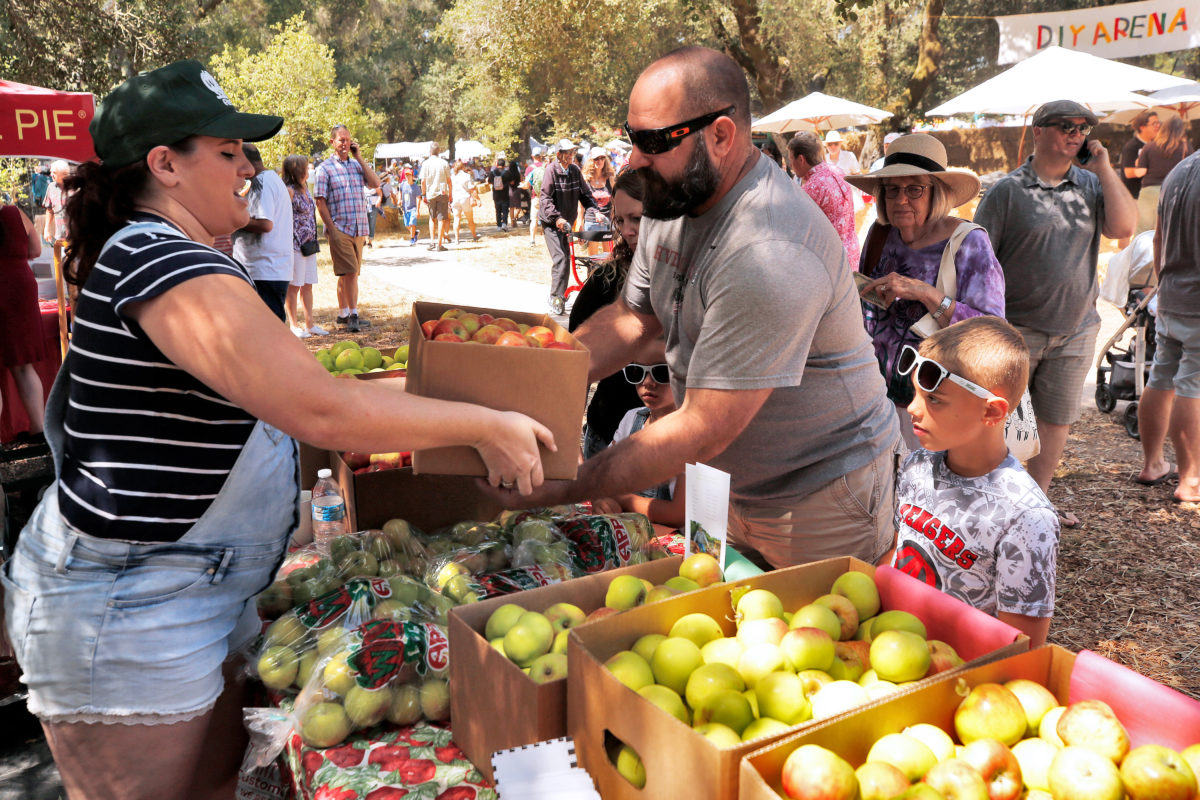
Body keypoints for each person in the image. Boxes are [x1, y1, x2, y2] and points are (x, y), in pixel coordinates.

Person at [1, 60, 554, 800]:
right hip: (125, 610)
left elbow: (308, 395)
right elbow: (318, 407)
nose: (246, 167)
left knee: (219, 782)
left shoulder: (175, 255)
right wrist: (486, 425)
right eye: (226, 152)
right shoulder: (153, 255)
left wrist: (472, 399)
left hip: (183, 594)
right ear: (164, 165)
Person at [498, 46, 901, 570]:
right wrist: (525, 380)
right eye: (631, 137)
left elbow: (704, 424)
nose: (634, 161)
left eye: (652, 143)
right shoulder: (673, 199)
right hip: (720, 482)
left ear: (720, 135)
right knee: (714, 625)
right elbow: (635, 321)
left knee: (809, 643)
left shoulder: (772, 247)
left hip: (819, 496)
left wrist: (565, 484)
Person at [973, 100, 1137, 528]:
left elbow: (1122, 229)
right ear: (1038, 131)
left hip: (1076, 328)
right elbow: (979, 259)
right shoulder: (1007, 191)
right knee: (1009, 423)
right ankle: (1000, 502)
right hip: (1016, 330)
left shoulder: (1090, 184)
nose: (1076, 134)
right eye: (1065, 126)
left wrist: (1103, 167)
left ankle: (1036, 504)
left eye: (1083, 128)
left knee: (1056, 421)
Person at [893, 316, 1058, 646]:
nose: (912, 408)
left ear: (992, 412)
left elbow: (1022, 644)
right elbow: (898, 556)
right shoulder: (916, 466)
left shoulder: (1026, 518)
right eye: (915, 393)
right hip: (897, 643)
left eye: (934, 399)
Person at [846, 133, 1005, 450]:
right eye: (892, 190)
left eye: (914, 188)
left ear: (938, 193)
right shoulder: (880, 234)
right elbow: (869, 308)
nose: (901, 199)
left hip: (940, 405)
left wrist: (925, 293)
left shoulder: (968, 243)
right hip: (877, 400)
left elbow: (993, 334)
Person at [1137, 149, 1200, 502]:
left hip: (1172, 293)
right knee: (1191, 384)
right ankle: (1191, 480)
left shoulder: (1179, 170)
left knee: (1161, 377)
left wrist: (1164, 285)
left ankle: (1153, 464)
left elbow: (1157, 239)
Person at [568, 168, 645, 459]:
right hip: (606, 437)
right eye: (621, 220)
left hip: (669, 445)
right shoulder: (606, 281)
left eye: (637, 218)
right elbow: (573, 362)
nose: (627, 230)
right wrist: (569, 439)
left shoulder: (691, 280)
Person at [590, 338, 687, 528]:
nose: (648, 382)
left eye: (661, 372)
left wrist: (622, 499)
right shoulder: (631, 419)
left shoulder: (690, 434)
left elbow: (678, 513)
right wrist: (602, 500)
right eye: (637, 372)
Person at [314, 124, 381, 332]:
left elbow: (375, 183)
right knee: (350, 272)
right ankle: (353, 314)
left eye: (348, 140)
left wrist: (359, 157)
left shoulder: (356, 166)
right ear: (332, 142)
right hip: (340, 227)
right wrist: (331, 228)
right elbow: (320, 201)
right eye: (341, 140)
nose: (345, 144)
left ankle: (343, 313)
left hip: (359, 228)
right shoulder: (324, 168)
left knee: (348, 275)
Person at [0, 204, 47, 442]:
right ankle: (39, 433)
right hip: (19, 284)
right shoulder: (14, 212)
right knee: (23, 366)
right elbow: (36, 250)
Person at [231, 144, 294, 322]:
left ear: (245, 162)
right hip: (268, 269)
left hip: (263, 269)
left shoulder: (262, 182)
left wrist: (234, 219)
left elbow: (265, 224)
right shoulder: (270, 179)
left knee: (266, 330)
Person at [540, 139, 597, 315]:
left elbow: (586, 195)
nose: (571, 156)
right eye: (568, 153)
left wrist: (594, 212)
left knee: (566, 258)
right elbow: (545, 199)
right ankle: (555, 297)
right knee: (561, 259)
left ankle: (562, 295)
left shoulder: (574, 170)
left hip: (566, 223)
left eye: (573, 152)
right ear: (559, 154)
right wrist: (556, 218)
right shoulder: (551, 170)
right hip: (552, 223)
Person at [788, 131, 859, 269]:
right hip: (851, 256)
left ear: (801, 159)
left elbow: (795, 231)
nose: (791, 165)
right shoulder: (837, 171)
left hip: (830, 264)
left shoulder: (813, 187)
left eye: (791, 159)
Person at [281, 154, 326, 339]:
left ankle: (310, 324)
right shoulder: (289, 190)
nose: (308, 171)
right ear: (298, 169)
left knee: (308, 285)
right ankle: (293, 325)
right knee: (295, 286)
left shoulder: (306, 188)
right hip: (295, 244)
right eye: (305, 168)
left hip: (309, 243)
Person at [1134, 116, 1192, 235]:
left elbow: (1140, 172)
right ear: (1181, 130)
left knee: (1142, 231)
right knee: (1170, 231)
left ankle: (1140, 253)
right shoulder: (1186, 147)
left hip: (1149, 192)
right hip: (1175, 191)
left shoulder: (1149, 146)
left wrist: (1138, 162)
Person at [1120, 110, 1160, 202]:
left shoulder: (1157, 145)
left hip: (1153, 196)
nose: (1158, 126)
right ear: (1142, 127)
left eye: (1158, 123)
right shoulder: (1132, 146)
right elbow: (1128, 173)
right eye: (1154, 123)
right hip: (1135, 198)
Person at [420, 143, 452, 252]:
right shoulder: (444, 163)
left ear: (430, 151)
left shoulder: (425, 164)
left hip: (430, 194)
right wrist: (450, 194)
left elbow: (423, 181)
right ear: (439, 151)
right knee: (442, 218)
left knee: (432, 218)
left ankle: (432, 242)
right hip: (442, 193)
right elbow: (449, 180)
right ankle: (439, 244)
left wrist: (423, 194)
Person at [582, 146, 615, 233]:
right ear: (591, 160)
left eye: (602, 158)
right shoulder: (586, 179)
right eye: (596, 158)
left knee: (610, 247)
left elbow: (617, 200)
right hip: (591, 220)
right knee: (593, 246)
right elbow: (581, 205)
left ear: (605, 160)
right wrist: (580, 223)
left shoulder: (610, 178)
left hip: (609, 220)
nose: (599, 161)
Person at [450, 159, 480, 244]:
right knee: (470, 219)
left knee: (456, 219)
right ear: (463, 167)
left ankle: (456, 239)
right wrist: (476, 199)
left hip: (455, 199)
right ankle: (474, 236)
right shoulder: (466, 176)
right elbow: (471, 189)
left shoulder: (452, 177)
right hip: (465, 198)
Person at [42, 159, 71, 245]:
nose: (51, 175)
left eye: (54, 172)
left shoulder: (75, 186)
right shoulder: (51, 187)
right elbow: (49, 210)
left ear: (64, 173)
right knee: (59, 258)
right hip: (60, 237)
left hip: (77, 238)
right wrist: (46, 229)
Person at [524, 148, 547, 246]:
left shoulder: (530, 168)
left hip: (536, 196)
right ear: (541, 156)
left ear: (532, 156)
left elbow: (527, 184)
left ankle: (532, 240)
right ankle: (549, 240)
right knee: (547, 219)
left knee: (534, 219)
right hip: (547, 196)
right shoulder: (547, 166)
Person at [399, 165, 421, 246]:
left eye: (409, 175)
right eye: (406, 175)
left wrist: (418, 211)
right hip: (405, 208)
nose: (407, 176)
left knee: (412, 223)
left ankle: (412, 239)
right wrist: (399, 199)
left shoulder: (415, 187)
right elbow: (400, 192)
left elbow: (419, 198)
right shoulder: (403, 184)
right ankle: (415, 233)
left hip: (413, 208)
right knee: (407, 225)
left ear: (412, 176)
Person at [490, 157, 510, 231]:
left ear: (497, 164)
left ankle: (498, 225)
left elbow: (489, 181)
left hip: (496, 194)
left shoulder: (492, 173)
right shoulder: (507, 172)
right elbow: (511, 181)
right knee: (505, 209)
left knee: (497, 210)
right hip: (505, 193)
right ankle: (504, 223)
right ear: (504, 165)